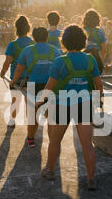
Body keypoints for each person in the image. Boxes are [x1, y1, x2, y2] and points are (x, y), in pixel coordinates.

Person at [36, 25, 103, 190]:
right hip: (84, 104)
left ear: (64, 41)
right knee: (87, 145)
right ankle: (91, 178)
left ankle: (50, 170)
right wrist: (98, 102)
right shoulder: (90, 59)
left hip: (62, 105)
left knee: (55, 141)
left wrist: (39, 101)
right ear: (83, 41)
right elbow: (98, 85)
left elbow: (50, 85)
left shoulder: (60, 60)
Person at [10, 27, 61, 147]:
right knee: (51, 116)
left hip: (34, 85)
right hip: (51, 86)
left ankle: (30, 139)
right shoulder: (55, 50)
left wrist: (13, 81)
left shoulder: (28, 50)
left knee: (33, 115)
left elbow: (19, 69)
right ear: (47, 37)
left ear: (33, 38)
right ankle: (53, 142)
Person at [0, 15, 34, 126]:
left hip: (16, 78)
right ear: (28, 28)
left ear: (16, 29)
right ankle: (30, 124)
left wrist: (3, 72)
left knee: (15, 101)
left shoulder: (13, 44)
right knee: (29, 102)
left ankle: (12, 121)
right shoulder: (33, 43)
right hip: (30, 77)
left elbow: (7, 61)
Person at [82, 9, 107, 73]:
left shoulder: (81, 31)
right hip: (96, 59)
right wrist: (101, 61)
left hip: (83, 60)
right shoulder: (100, 31)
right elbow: (104, 49)